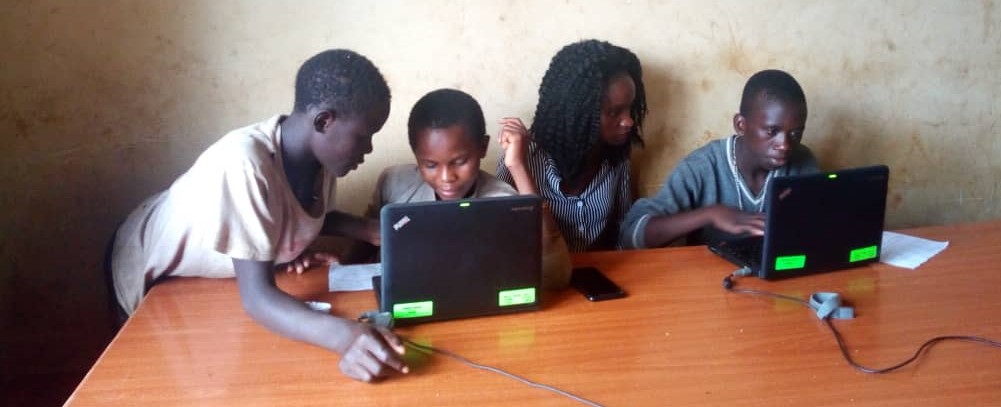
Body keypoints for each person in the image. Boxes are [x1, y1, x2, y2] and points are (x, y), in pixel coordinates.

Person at [109, 49, 407, 382]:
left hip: (204, 279)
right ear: (324, 121)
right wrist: (344, 337)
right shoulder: (244, 163)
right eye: (364, 136)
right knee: (151, 379)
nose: (368, 150)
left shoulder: (322, 163)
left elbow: (294, 211)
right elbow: (257, 297)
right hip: (147, 267)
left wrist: (365, 230)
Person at [349, 88, 572, 288]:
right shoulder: (394, 183)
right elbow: (367, 244)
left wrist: (517, 165)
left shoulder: (503, 201)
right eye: (430, 165)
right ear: (416, 155)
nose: (447, 178)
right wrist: (341, 266)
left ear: (483, 147)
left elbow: (555, 276)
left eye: (459, 162)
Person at [620, 69, 819, 249]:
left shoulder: (802, 162)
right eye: (772, 131)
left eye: (795, 133)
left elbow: (820, 230)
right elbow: (631, 236)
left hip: (778, 277)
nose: (784, 144)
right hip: (709, 281)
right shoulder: (702, 167)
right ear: (741, 124)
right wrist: (710, 214)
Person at [495, 39, 648, 252]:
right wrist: (519, 169)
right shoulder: (521, 159)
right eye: (614, 112)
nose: (629, 121)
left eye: (630, 109)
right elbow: (506, 242)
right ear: (578, 113)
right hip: (544, 278)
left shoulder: (616, 156)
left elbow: (621, 231)